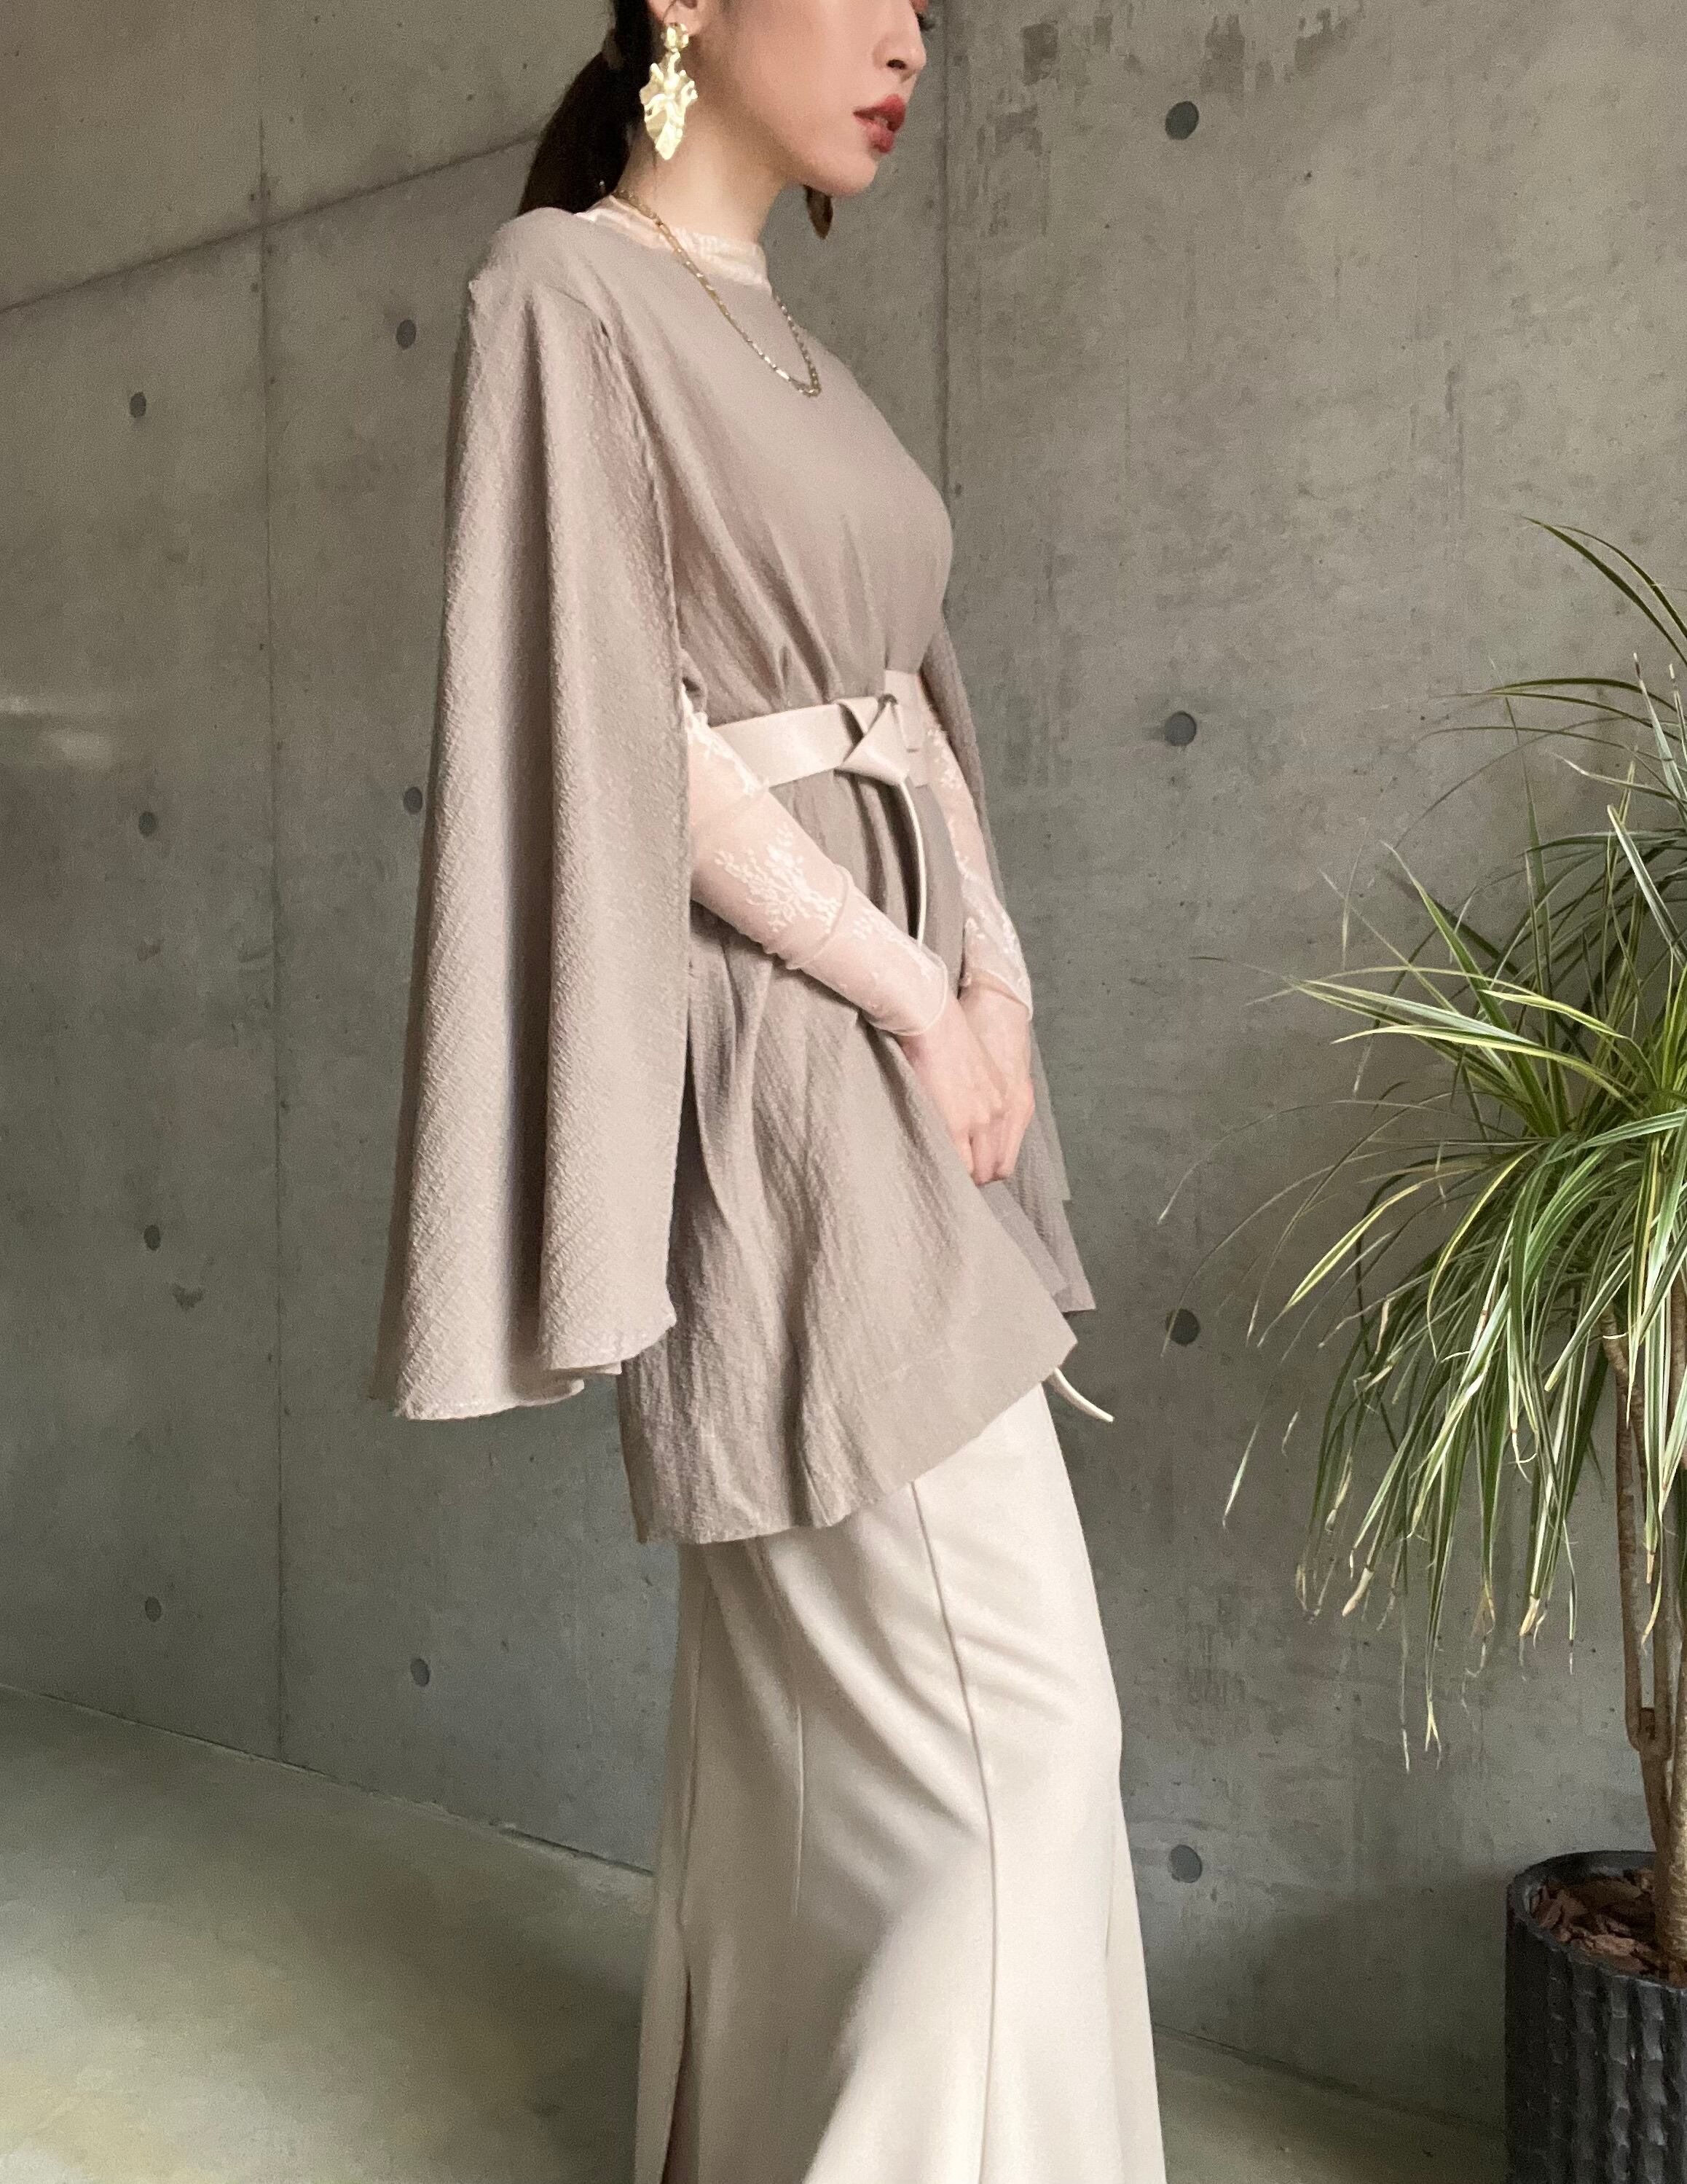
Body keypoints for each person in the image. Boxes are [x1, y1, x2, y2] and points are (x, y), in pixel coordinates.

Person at [368, 1, 1168, 2177]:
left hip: (903, 1040)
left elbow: (906, 712)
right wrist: (915, 994)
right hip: (783, 1058)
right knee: (1015, 1744)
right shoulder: (562, 287)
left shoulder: (806, 353)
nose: (911, 37)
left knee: (805, 1745)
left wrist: (996, 984)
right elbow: (625, 730)